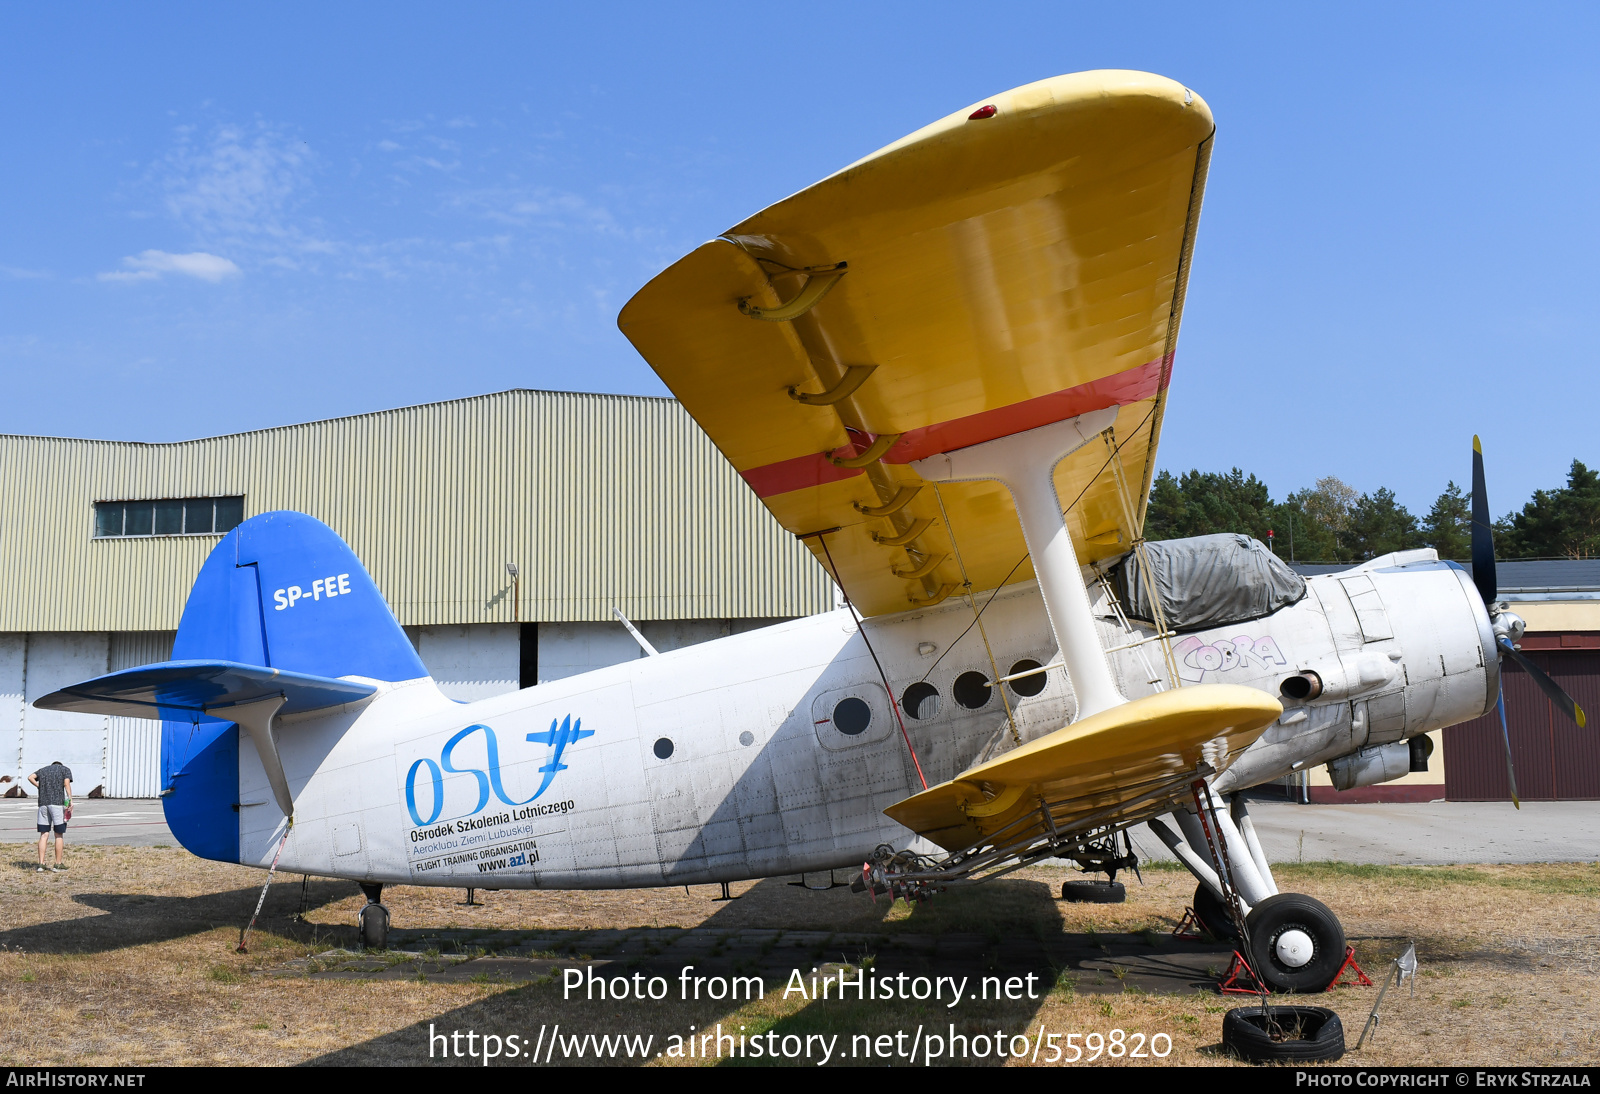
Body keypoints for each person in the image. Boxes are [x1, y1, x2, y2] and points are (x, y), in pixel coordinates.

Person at [29, 760, 72, 873]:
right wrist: (70, 799)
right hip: (57, 804)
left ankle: (41, 864)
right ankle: (57, 864)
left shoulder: (43, 770)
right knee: (58, 834)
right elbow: (66, 783)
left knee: (44, 834)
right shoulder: (65, 770)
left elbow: (30, 777)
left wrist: (39, 786)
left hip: (43, 804)